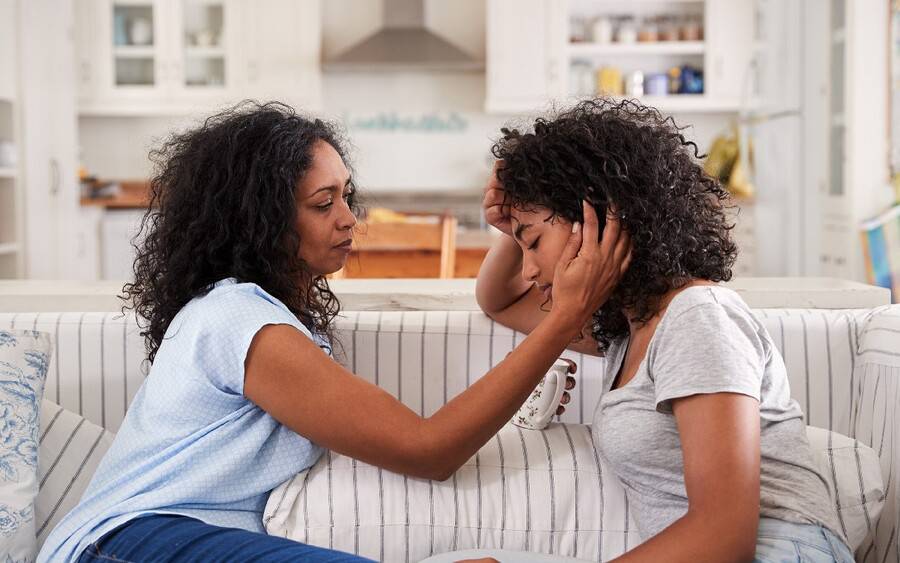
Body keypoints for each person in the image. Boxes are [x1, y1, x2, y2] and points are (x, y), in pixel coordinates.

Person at [35, 101, 630, 563]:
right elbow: (429, 450)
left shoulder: (272, 318)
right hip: (127, 543)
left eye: (347, 196)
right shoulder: (239, 320)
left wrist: (509, 229)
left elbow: (495, 301)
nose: (350, 219)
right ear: (262, 218)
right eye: (324, 203)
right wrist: (562, 319)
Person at [433, 98, 853, 563]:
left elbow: (725, 536)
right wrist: (511, 231)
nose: (529, 269)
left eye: (534, 243)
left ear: (599, 222)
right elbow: (500, 300)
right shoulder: (627, 332)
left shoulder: (698, 318)